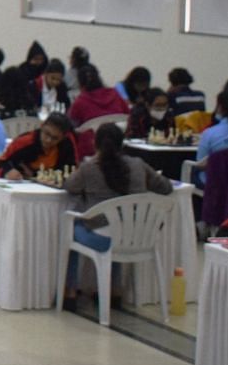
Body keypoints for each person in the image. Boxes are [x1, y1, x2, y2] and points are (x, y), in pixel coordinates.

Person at [60, 124, 175, 308]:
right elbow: (165, 187)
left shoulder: (89, 168)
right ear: (122, 144)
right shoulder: (138, 165)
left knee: (73, 228)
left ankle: (70, 292)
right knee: (119, 225)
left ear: (95, 144)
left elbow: (69, 186)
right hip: (138, 237)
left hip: (104, 239)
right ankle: (115, 291)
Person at [0, 113, 78, 180]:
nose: (48, 140)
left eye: (55, 138)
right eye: (47, 134)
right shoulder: (24, 142)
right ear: (41, 126)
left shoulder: (67, 145)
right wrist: (7, 172)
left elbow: (73, 170)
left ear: (63, 137)